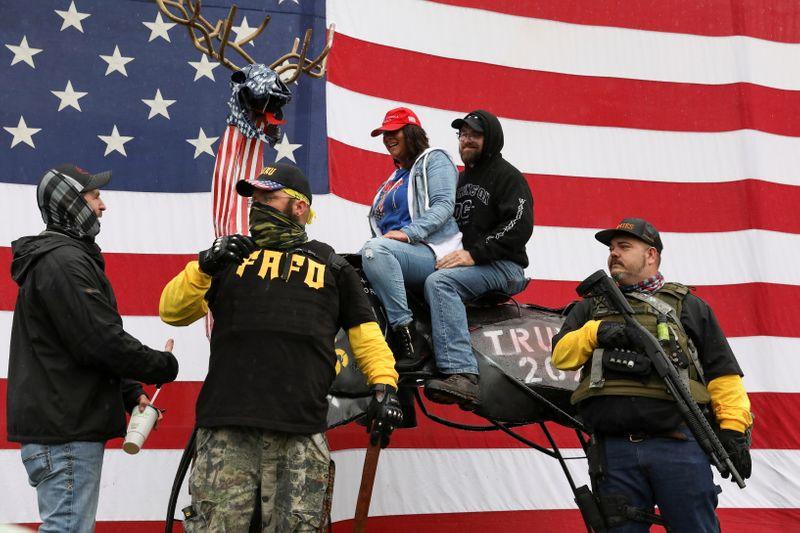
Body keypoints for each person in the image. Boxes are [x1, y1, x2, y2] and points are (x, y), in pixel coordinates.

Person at [159, 162, 402, 532]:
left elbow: (366, 335)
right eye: (253, 198)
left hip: (300, 429)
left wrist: (386, 387)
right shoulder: (228, 258)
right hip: (227, 427)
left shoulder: (333, 266)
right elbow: (171, 312)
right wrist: (204, 265)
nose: (256, 206)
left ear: (299, 207)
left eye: (268, 197)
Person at [6, 164, 180, 532]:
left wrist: (131, 392)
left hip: (61, 428)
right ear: (72, 203)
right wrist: (162, 366)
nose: (103, 206)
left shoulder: (62, 258)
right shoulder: (64, 262)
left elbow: (79, 342)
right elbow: (99, 342)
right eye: (94, 196)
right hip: (66, 432)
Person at [551, 217, 753, 532]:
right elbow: (561, 356)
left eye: (624, 246)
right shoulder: (590, 307)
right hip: (613, 449)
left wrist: (733, 432)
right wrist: (597, 331)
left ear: (651, 255)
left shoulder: (688, 306)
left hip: (679, 444)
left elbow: (723, 375)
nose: (613, 253)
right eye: (612, 248)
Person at [423, 110, 533, 409]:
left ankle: (462, 374)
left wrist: (475, 253)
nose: (466, 139)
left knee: (441, 283)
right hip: (471, 265)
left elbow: (519, 226)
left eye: (474, 134)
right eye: (462, 134)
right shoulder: (459, 181)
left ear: (491, 138)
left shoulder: (507, 177)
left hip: (504, 266)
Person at [361, 107, 462, 371]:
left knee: (375, 251)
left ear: (411, 132)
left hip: (433, 251)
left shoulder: (435, 159)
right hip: (398, 252)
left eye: (394, 132)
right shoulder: (393, 178)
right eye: (384, 134)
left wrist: (409, 233)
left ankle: (408, 338)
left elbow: (443, 207)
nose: (387, 138)